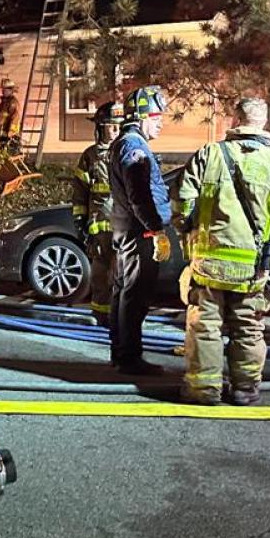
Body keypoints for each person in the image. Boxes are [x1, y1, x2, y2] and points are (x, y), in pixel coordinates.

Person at [175, 98, 270, 405]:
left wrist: (188, 237)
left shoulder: (209, 155)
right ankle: (245, 389)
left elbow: (183, 202)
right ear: (263, 124)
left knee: (205, 326)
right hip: (253, 269)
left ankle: (204, 388)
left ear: (235, 120)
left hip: (210, 262)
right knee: (248, 327)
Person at [107, 85, 172, 376]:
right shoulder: (134, 147)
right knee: (135, 294)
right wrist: (156, 228)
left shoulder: (124, 143)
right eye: (156, 116)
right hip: (138, 230)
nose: (161, 122)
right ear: (141, 116)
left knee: (123, 291)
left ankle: (121, 353)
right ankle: (129, 358)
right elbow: (140, 195)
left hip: (126, 226)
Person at [72, 101, 125, 330]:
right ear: (100, 128)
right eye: (111, 126)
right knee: (101, 278)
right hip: (100, 230)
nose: (115, 131)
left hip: (124, 229)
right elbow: (80, 193)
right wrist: (80, 221)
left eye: (119, 126)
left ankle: (122, 319)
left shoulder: (128, 152)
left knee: (123, 276)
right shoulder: (90, 157)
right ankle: (101, 319)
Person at [0, 78, 21, 154]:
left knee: (9, 155)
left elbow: (15, 118)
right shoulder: (4, 102)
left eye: (5, 90)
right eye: (3, 89)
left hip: (10, 136)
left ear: (11, 91)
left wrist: (11, 131)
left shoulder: (13, 103)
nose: (3, 91)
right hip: (2, 133)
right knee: (1, 155)